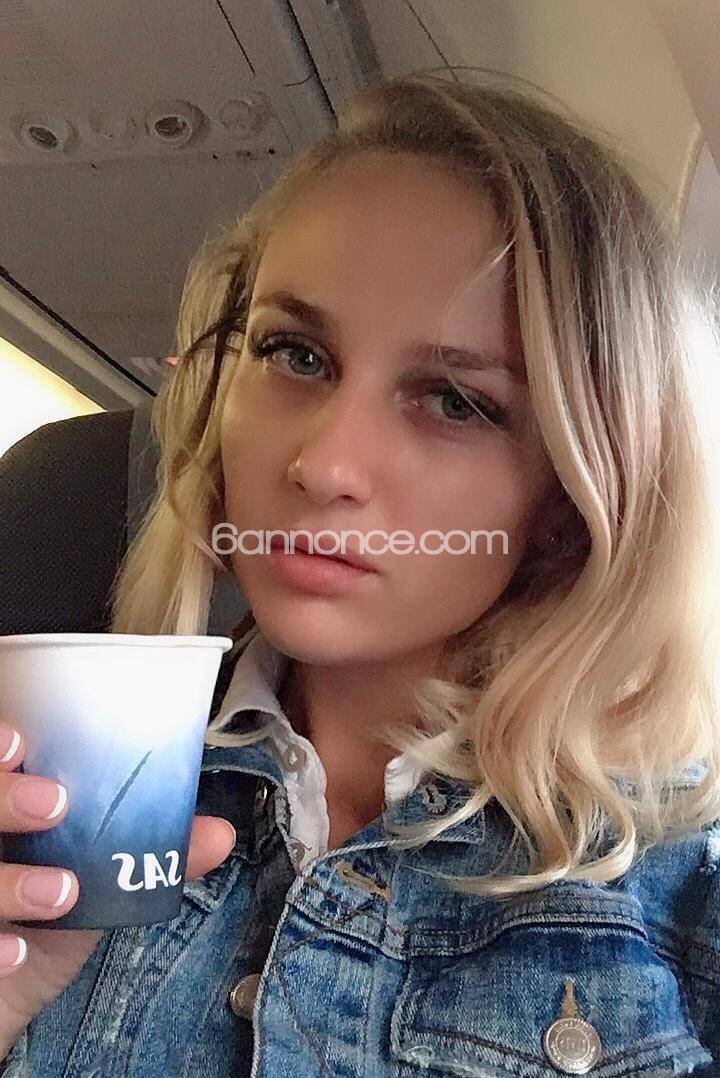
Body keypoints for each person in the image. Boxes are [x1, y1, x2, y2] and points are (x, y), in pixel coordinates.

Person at [0, 69, 719, 1076]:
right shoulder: (73, 795)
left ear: (567, 498)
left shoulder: (681, 867)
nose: (324, 464)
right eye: (295, 354)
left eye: (456, 401)